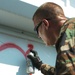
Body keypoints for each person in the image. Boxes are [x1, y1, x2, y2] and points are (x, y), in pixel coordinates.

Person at [27, 2, 75, 75]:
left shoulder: (68, 33)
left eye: (37, 30)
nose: (38, 36)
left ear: (45, 24)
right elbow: (67, 69)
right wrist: (40, 65)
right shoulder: (71, 28)